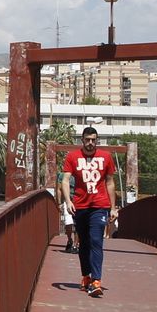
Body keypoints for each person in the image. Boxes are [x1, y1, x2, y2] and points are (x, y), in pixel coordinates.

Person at [61, 126, 116, 296]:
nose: (90, 143)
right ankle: (86, 276)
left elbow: (110, 182)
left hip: (99, 206)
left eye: (93, 140)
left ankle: (96, 280)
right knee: (83, 244)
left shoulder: (106, 157)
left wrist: (113, 207)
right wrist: (68, 201)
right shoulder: (72, 156)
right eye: (87, 140)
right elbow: (65, 180)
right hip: (80, 206)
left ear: (97, 140)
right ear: (82, 140)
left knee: (96, 241)